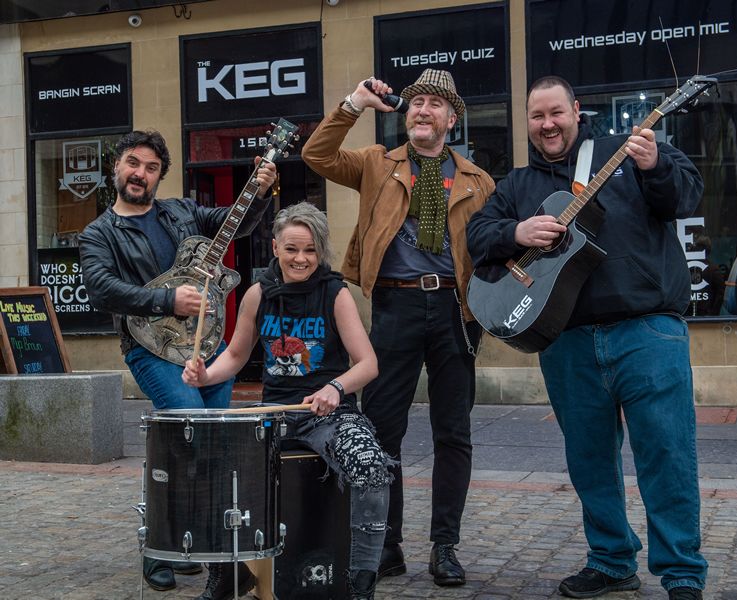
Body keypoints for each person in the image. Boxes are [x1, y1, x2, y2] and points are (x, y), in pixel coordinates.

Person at [466, 76, 708, 600]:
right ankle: (611, 559)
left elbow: (685, 196)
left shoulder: (629, 153)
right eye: (536, 117)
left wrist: (654, 165)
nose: (547, 124)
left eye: (556, 112)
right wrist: (516, 233)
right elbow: (477, 238)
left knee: (666, 453)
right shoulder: (518, 186)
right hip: (566, 340)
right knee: (589, 461)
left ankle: (682, 572)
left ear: (577, 110)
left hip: (647, 330)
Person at [301, 68, 495, 587]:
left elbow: (494, 250)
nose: (421, 110)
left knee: (453, 432)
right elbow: (316, 156)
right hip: (394, 306)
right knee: (383, 431)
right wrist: (353, 104)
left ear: (451, 118)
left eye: (434, 103)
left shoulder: (478, 181)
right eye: (415, 103)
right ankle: (386, 545)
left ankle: (445, 547)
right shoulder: (374, 164)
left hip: (457, 311)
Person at [78, 129, 276, 594]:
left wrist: (261, 191)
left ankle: (193, 544)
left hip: (206, 347)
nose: (139, 173)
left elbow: (237, 223)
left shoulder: (182, 211)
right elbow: (101, 288)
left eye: (150, 167)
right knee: (188, 434)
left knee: (214, 443)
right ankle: (158, 546)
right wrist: (167, 300)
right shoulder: (98, 233)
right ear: (116, 167)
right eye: (132, 163)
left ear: (159, 175)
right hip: (149, 348)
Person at [182, 202, 394, 600]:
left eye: (311, 250)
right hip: (274, 413)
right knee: (210, 461)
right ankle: (230, 573)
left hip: (328, 415)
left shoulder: (336, 293)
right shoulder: (257, 293)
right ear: (276, 247)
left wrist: (335, 388)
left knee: (371, 469)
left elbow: (367, 364)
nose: (301, 258)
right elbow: (237, 355)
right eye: (293, 248)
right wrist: (206, 374)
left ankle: (361, 580)